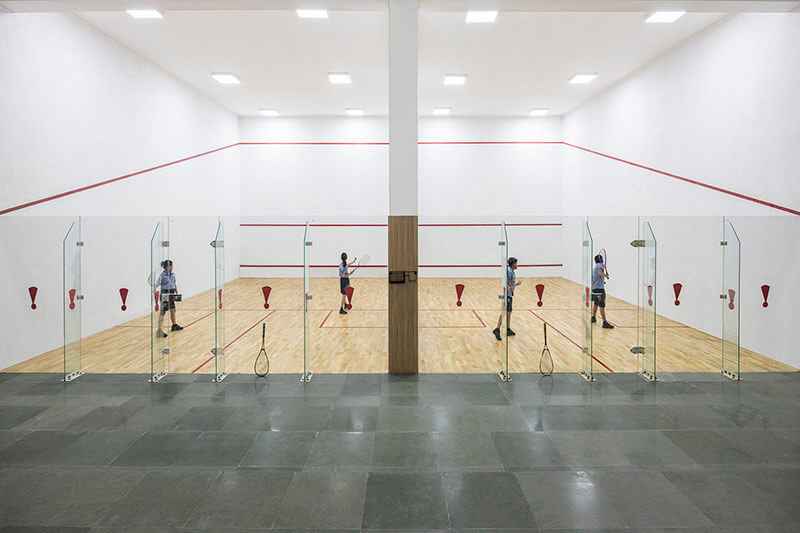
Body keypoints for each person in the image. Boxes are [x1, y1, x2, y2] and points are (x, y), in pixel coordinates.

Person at [493, 257, 521, 341]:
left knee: (509, 311)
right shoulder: (509, 272)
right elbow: (506, 281)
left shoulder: (511, 271)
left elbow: (510, 283)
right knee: (505, 311)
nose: (517, 265)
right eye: (516, 263)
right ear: (512, 264)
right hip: (506, 295)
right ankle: (497, 329)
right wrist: (508, 287)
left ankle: (508, 329)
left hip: (509, 295)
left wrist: (516, 284)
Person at [156, 259, 183, 337]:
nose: (172, 267)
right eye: (171, 266)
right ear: (168, 267)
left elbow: (174, 283)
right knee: (163, 312)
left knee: (173, 309)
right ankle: (159, 330)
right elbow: (157, 284)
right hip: (164, 294)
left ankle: (174, 325)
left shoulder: (173, 274)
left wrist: (176, 292)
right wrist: (154, 288)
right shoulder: (162, 275)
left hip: (171, 293)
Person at [592, 254, 614, 329]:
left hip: (594, 288)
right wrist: (605, 275)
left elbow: (596, 275)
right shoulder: (600, 265)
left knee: (596, 303)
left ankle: (593, 317)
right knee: (601, 305)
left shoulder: (594, 267)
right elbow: (600, 273)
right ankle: (604, 322)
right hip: (600, 289)